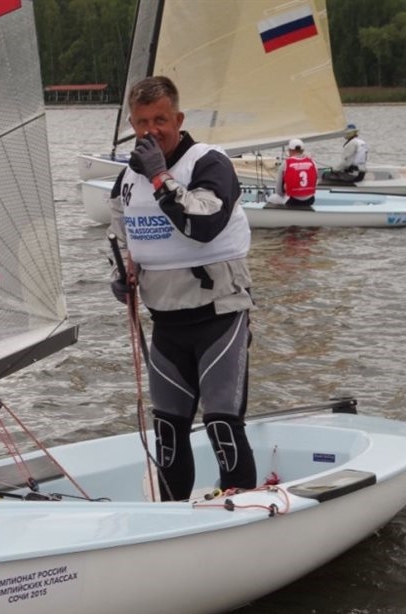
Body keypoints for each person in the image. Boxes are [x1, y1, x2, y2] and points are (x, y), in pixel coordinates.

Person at [107, 75, 257, 501]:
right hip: (166, 321)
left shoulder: (209, 162)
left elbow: (203, 224)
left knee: (222, 424)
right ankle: (172, 518)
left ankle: (242, 510)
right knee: (169, 432)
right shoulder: (128, 177)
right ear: (132, 125)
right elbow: (118, 233)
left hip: (218, 314)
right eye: (142, 122)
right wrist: (120, 273)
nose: (151, 131)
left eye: (160, 120)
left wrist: (160, 176)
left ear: (179, 119)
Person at [269, 138, 317, 207]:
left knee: (271, 198)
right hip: (310, 200)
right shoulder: (312, 162)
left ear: (290, 150)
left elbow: (279, 191)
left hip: (292, 201)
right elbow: (315, 183)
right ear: (303, 150)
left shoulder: (286, 163)